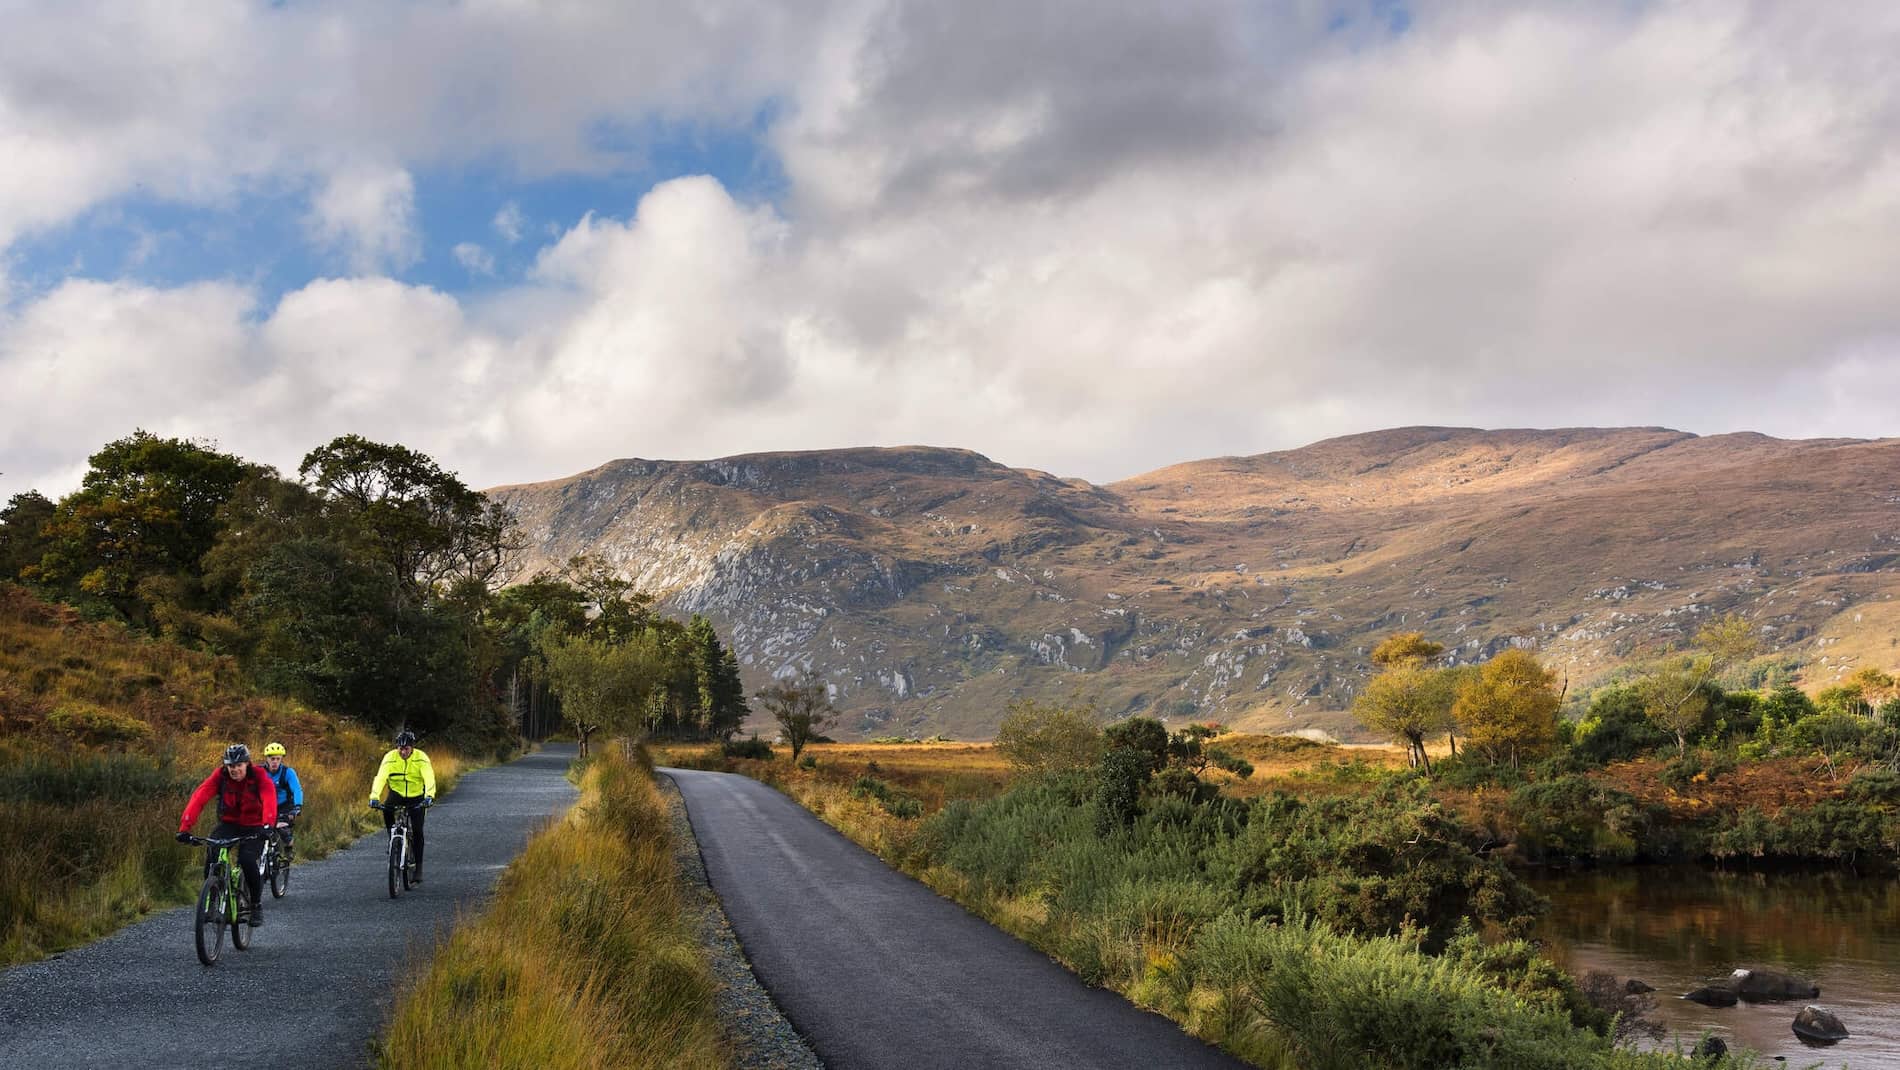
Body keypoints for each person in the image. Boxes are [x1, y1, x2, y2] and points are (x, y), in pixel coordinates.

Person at [177, 743, 277, 925]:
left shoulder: (259, 776)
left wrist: (268, 825)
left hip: (254, 826)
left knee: (247, 861)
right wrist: (185, 827)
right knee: (213, 852)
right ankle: (212, 900)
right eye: (231, 765)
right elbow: (200, 796)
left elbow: (269, 797)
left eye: (239, 765)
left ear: (247, 764)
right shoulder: (220, 776)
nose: (234, 769)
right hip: (229, 824)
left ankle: (255, 906)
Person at [369, 730, 435, 883]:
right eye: (400, 748)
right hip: (397, 793)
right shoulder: (389, 758)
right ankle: (393, 839)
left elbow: (429, 778)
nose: (403, 751)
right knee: (386, 809)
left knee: (418, 831)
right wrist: (374, 796)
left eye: (406, 748)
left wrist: (429, 796)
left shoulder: (421, 758)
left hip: (416, 795)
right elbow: (380, 778)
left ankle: (418, 868)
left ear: (412, 748)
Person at [260, 742, 303, 860]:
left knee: (283, 830)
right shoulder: (260, 772)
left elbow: (297, 790)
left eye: (278, 759)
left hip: (283, 806)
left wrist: (297, 806)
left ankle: (289, 848)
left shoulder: (288, 773)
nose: (275, 762)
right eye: (272, 758)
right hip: (264, 806)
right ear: (266, 759)